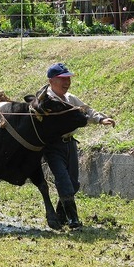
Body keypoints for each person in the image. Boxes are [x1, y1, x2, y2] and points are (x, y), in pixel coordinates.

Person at [42, 62, 115, 228]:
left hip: (70, 145)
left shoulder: (70, 98)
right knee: (63, 180)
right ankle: (73, 219)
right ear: (51, 81)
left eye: (68, 78)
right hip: (53, 146)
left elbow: (86, 111)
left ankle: (60, 217)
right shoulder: (45, 102)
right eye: (62, 79)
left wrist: (101, 119)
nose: (67, 82)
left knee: (73, 183)